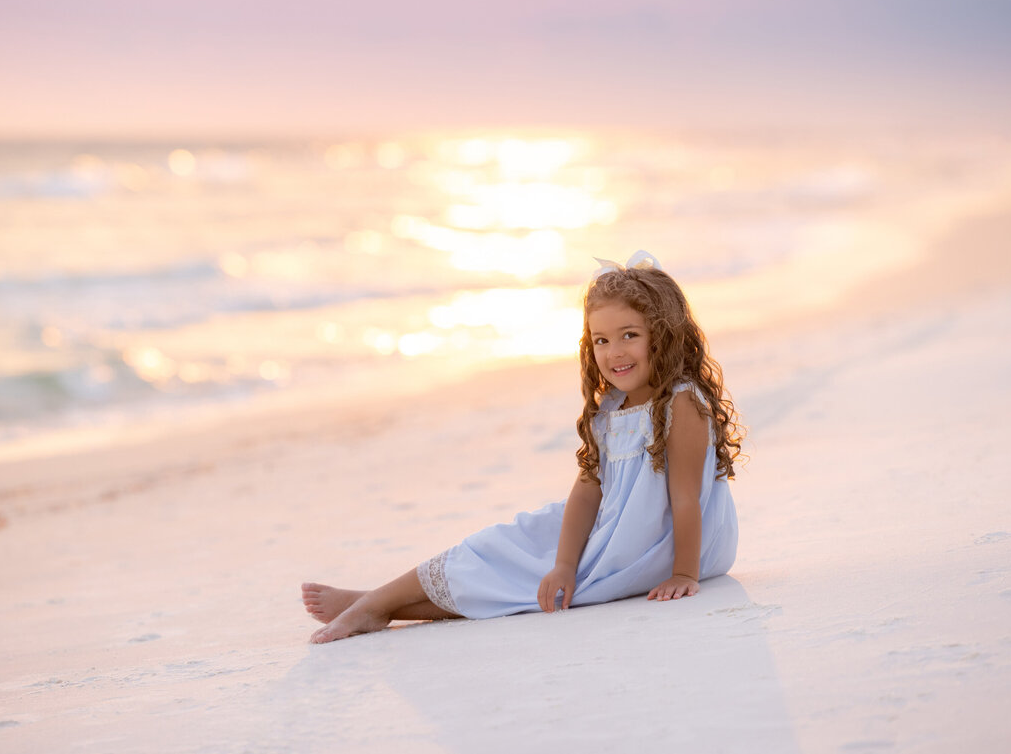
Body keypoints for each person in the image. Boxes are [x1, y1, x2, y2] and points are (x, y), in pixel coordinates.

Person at [302, 250, 744, 644]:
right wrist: (565, 564)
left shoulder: (681, 402)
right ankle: (380, 603)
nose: (614, 353)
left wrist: (684, 573)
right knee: (518, 545)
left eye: (629, 334)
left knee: (535, 581)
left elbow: (685, 498)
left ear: (662, 334)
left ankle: (375, 605)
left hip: (671, 545)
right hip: (619, 526)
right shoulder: (611, 406)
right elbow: (589, 489)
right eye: (601, 341)